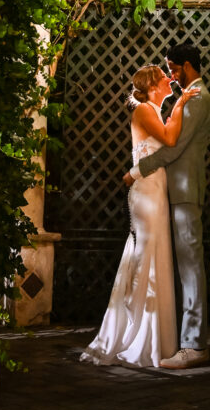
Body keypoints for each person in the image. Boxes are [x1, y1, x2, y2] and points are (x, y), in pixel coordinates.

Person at [80, 65, 201, 367]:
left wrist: (177, 109)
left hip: (155, 190)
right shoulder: (145, 111)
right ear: (152, 86)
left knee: (157, 254)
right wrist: (181, 103)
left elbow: (169, 141)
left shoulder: (154, 111)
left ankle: (156, 339)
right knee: (148, 255)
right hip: (146, 193)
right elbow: (170, 141)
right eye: (163, 77)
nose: (169, 79)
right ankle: (140, 336)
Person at [123, 42, 210, 370]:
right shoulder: (188, 97)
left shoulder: (198, 98)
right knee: (182, 267)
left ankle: (194, 345)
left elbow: (174, 148)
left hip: (185, 190)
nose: (171, 76)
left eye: (173, 69)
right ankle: (181, 339)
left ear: (187, 65)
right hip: (174, 191)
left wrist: (136, 171)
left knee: (191, 267)